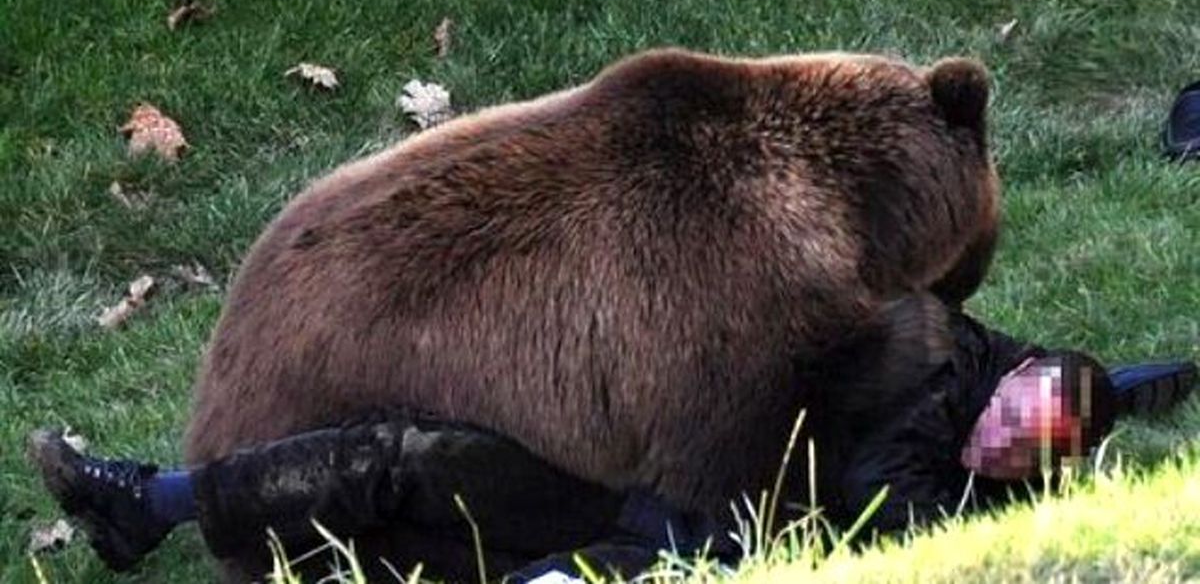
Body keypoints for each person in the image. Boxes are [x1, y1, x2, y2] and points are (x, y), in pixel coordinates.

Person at [29, 308, 1196, 582]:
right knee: (402, 456)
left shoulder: (945, 507)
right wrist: (1143, 386)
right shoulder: (966, 353)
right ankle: (154, 502)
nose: (1003, 441)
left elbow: (875, 491)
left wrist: (1024, 421)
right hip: (616, 477)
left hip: (657, 552)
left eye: (1027, 449)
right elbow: (1102, 383)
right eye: (1016, 411)